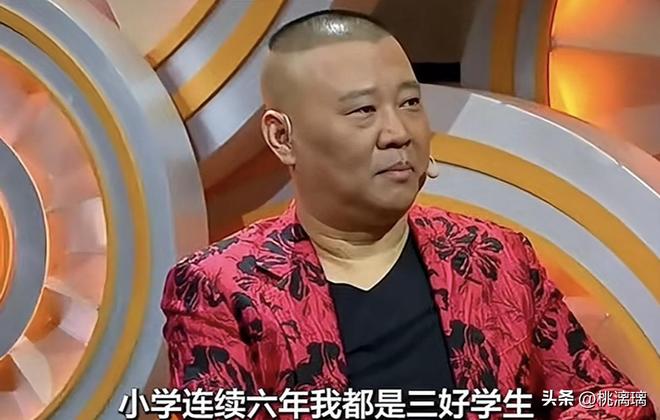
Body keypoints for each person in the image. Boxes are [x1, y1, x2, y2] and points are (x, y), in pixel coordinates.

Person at [161, 9, 655, 419]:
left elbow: (614, 399)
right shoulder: (220, 287)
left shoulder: (494, 256)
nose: (398, 132)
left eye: (411, 103)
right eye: (363, 111)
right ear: (282, 137)